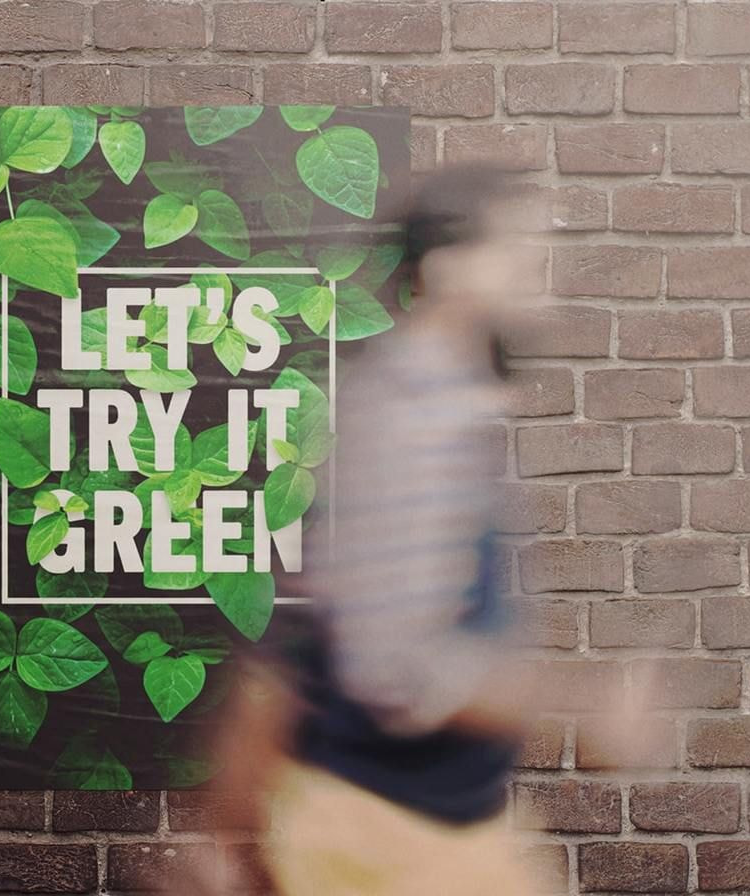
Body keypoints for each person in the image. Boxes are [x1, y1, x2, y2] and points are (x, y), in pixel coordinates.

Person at [188, 167, 559, 896]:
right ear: (450, 269)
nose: (544, 282)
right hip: (391, 836)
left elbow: (306, 634)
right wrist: (572, 703)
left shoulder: (441, 405)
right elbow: (392, 666)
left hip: (430, 826)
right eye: (525, 258)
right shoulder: (413, 419)